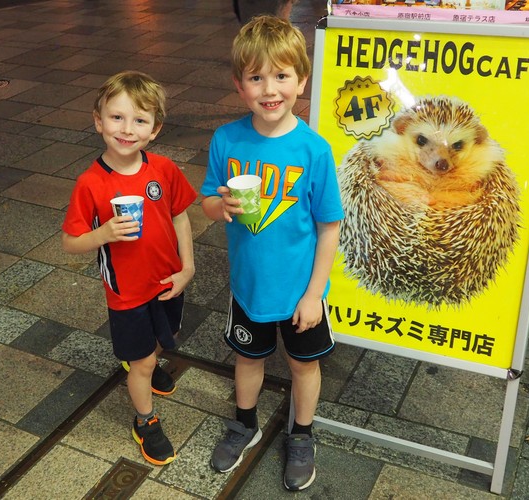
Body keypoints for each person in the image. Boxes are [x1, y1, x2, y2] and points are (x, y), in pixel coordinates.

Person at [200, 15, 344, 491]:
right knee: (248, 357)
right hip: (248, 286)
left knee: (304, 364)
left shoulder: (313, 150)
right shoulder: (226, 139)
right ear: (239, 84)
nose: (269, 89)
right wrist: (218, 205)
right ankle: (246, 422)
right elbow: (205, 201)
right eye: (256, 77)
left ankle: (302, 435)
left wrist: (314, 293)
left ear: (301, 81)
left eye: (281, 75)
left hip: (301, 290)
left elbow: (329, 227)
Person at [61, 70, 197, 466]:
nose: (127, 129)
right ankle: (145, 419)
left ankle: (147, 362)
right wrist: (102, 233)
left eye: (140, 120)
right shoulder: (91, 183)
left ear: (155, 129)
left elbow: (180, 217)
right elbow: (70, 243)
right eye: (117, 117)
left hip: (168, 281)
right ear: (98, 121)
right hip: (127, 294)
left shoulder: (164, 169)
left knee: (163, 336)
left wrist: (187, 267)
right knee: (140, 362)